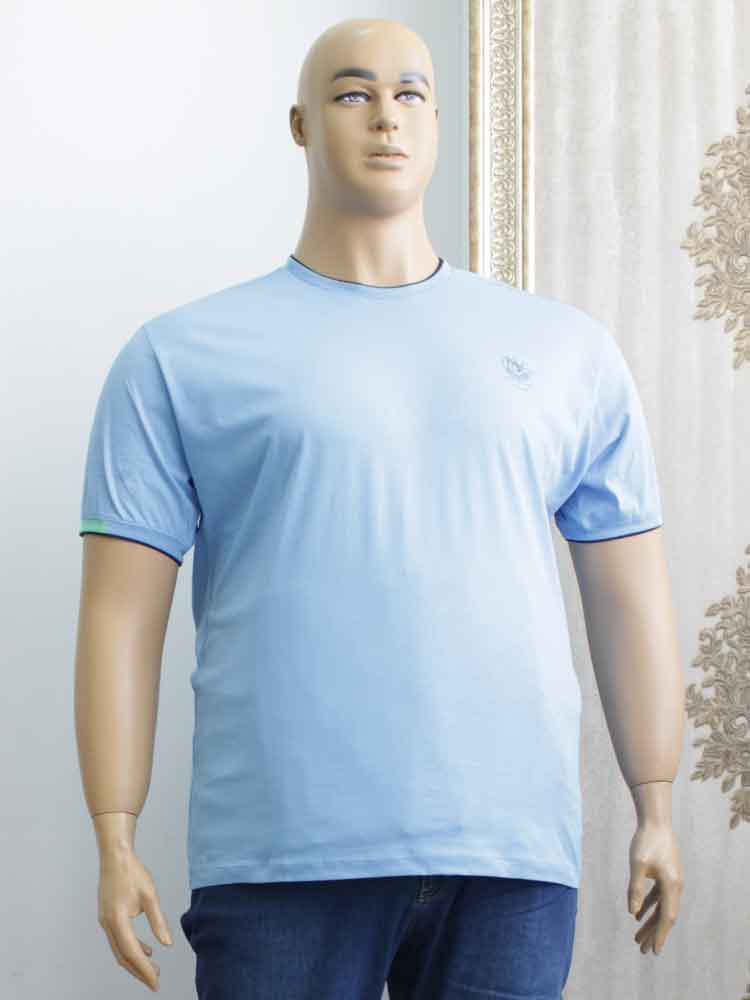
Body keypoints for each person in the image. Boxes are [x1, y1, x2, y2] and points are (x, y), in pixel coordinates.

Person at [75, 16, 685, 999]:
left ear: (438, 121)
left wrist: (656, 802)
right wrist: (115, 834)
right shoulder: (180, 358)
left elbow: (630, 598)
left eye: (410, 94)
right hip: (281, 858)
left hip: (512, 851)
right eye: (352, 93)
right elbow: (118, 617)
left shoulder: (568, 352)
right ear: (300, 125)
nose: (386, 117)